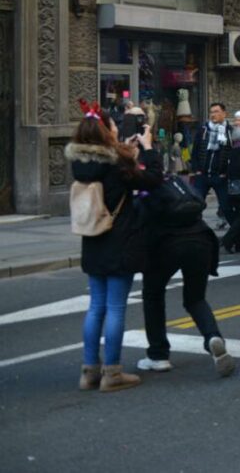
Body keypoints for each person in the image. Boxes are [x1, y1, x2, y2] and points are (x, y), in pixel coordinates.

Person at [68, 102, 163, 392]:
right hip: (119, 239)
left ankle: (89, 371)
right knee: (116, 307)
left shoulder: (80, 164)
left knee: (95, 306)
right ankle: (112, 373)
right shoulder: (117, 162)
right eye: (112, 126)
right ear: (105, 131)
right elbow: (153, 179)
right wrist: (147, 148)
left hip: (93, 238)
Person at [138, 168, 234, 378]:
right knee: (195, 299)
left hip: (166, 244)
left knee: (153, 295)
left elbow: (141, 222)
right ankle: (213, 338)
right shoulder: (174, 182)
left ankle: (158, 355)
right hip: (200, 239)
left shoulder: (145, 191)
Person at [190, 102, 232, 231]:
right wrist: (196, 169)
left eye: (217, 111)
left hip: (220, 175)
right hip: (202, 174)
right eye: (212, 112)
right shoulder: (203, 129)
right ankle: (194, 229)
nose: (213, 114)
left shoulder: (229, 131)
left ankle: (234, 235)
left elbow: (232, 153)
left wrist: (226, 172)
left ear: (224, 114)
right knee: (196, 203)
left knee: (226, 205)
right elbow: (195, 150)